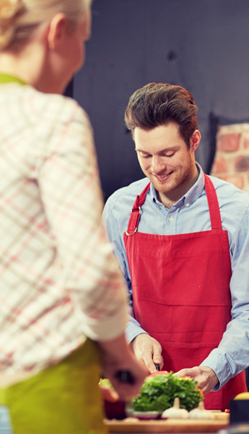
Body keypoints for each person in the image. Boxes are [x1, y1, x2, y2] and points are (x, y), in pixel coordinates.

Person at [0, 0, 147, 432]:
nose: (80, 58)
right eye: (83, 41)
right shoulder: (51, 119)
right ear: (57, 31)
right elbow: (88, 269)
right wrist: (120, 360)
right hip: (44, 379)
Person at [102, 83, 249, 410]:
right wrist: (135, 336)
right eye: (144, 155)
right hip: (141, 393)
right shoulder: (119, 209)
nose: (156, 168)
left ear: (193, 142)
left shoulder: (240, 211)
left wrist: (213, 369)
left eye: (167, 153)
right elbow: (112, 300)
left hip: (217, 389)